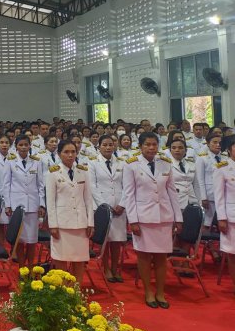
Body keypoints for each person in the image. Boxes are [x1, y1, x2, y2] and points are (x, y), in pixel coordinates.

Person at [122, 132, 183, 308]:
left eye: (154, 144)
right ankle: (148, 290)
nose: (151, 148)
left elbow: (172, 192)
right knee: (144, 256)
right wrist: (132, 220)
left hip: (163, 216)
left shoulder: (165, 163)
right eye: (147, 144)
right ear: (140, 147)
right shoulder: (131, 165)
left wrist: (178, 218)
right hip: (143, 217)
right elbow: (129, 194)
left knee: (161, 257)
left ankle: (160, 292)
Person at [45, 140, 94, 286]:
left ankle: (76, 293)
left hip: (80, 224)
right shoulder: (53, 173)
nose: (70, 155)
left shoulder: (83, 171)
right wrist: (52, 225)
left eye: (73, 151)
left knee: (79, 261)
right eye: (66, 152)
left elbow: (88, 199)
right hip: (62, 224)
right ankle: (63, 293)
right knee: (61, 260)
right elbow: (50, 202)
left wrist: (90, 222)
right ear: (59, 154)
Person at [3, 134, 45, 267]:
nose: (23, 147)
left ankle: (31, 268)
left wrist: (42, 204)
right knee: (19, 240)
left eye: (26, 145)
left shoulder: (37, 162)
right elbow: (6, 184)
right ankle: (22, 267)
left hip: (33, 205)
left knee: (32, 240)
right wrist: (8, 205)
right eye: (20, 145)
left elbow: (41, 185)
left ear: (29, 146)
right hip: (16, 206)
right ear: (16, 147)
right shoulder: (10, 161)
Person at [89, 134, 126, 282]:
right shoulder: (92, 163)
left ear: (115, 146)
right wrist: (105, 206)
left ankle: (116, 268)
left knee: (117, 240)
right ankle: (106, 268)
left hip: (119, 206)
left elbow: (127, 186)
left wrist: (122, 203)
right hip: (102, 207)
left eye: (111, 144)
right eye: (104, 145)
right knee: (105, 239)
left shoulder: (122, 163)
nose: (108, 147)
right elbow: (93, 186)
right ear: (99, 147)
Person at [213, 135, 235, 292]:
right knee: (233, 254)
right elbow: (219, 196)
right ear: (229, 149)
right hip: (232, 217)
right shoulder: (222, 168)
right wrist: (221, 218)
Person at [196, 131, 223, 232]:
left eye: (220, 142)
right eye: (214, 142)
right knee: (207, 222)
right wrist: (203, 197)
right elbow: (200, 179)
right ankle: (203, 244)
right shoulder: (202, 158)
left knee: (221, 221)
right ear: (208, 143)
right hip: (209, 194)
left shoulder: (224, 157)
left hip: (222, 195)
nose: (217, 145)